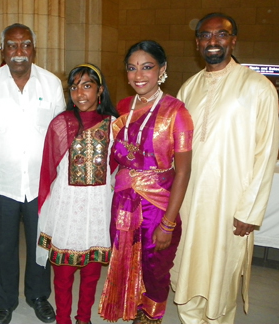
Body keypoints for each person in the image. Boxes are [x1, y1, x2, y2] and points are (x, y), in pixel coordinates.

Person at [170, 12, 279, 324]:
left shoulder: (258, 87)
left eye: (221, 35)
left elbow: (266, 152)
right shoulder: (188, 89)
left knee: (221, 276)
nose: (212, 41)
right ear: (197, 42)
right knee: (187, 271)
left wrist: (250, 210)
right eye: (205, 35)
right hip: (189, 203)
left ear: (233, 41)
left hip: (230, 205)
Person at [0, 23, 65, 324]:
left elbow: (61, 134)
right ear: (3, 50)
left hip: (42, 185)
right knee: (2, 247)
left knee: (41, 244)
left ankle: (38, 296)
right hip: (1, 183)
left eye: (25, 44)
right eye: (12, 45)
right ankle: (6, 301)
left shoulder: (51, 84)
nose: (19, 52)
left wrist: (62, 182)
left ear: (33, 48)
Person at [99, 40, 194, 324]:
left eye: (147, 67)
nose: (138, 75)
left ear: (162, 69)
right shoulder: (125, 106)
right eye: (132, 68)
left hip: (158, 202)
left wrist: (168, 221)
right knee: (126, 257)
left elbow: (184, 171)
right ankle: (131, 306)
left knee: (155, 265)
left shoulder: (176, 111)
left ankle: (152, 316)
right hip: (124, 198)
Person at [36, 64, 118, 324]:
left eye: (87, 86)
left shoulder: (113, 126)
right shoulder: (61, 124)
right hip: (66, 207)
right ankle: (63, 319)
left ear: (100, 90)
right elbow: (48, 171)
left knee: (92, 272)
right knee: (63, 273)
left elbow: (117, 172)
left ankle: (84, 318)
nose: (80, 93)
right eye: (74, 87)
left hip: (97, 209)